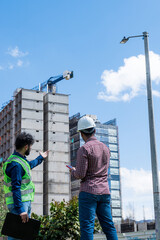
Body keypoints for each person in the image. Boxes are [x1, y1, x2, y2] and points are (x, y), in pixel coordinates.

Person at [70, 116, 118, 240]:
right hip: (104, 191)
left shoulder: (84, 149)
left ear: (81, 133)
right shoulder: (106, 148)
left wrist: (73, 171)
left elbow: (80, 174)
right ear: (94, 131)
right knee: (109, 227)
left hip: (89, 191)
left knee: (87, 227)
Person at [3, 132, 49, 240]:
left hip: (21, 203)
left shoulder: (19, 160)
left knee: (20, 234)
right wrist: (21, 210)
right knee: (17, 236)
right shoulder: (16, 164)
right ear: (26, 147)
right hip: (20, 204)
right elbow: (16, 188)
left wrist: (40, 158)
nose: (30, 149)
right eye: (30, 147)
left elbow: (29, 165)